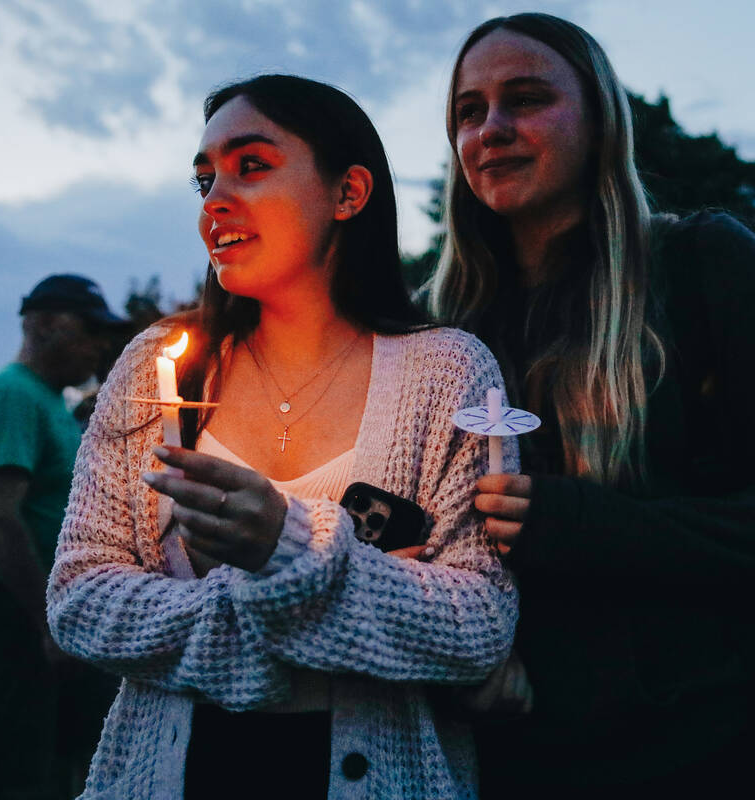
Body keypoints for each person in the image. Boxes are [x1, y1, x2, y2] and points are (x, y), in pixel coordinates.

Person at [427, 13, 755, 797]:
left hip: (698, 753)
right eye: (468, 111)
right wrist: (462, 654)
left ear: (599, 119)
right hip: (508, 761)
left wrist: (581, 523)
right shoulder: (443, 326)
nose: (491, 128)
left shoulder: (702, 265)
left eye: (525, 98)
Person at [45, 75, 518, 799]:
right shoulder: (156, 366)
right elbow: (80, 597)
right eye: (203, 180)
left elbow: (478, 624)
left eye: (252, 165)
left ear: (349, 192)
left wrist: (285, 541)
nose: (215, 200)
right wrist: (294, 610)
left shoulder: (446, 373)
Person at [0, 274, 127, 800]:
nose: (99, 343)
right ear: (44, 324)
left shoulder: (49, 402)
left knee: (79, 757)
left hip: (44, 612)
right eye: (90, 328)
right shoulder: (9, 396)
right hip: (8, 617)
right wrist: (48, 624)